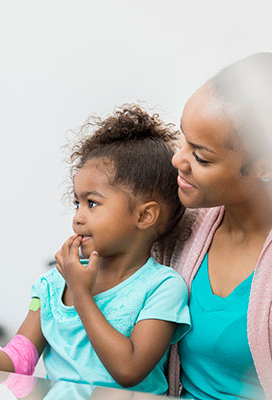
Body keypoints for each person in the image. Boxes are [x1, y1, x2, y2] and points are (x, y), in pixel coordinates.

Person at [0, 105, 191, 394]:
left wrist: (81, 293)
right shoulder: (52, 284)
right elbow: (21, 356)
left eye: (92, 203)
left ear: (144, 216)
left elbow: (129, 370)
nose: (78, 217)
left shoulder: (163, 287)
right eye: (77, 203)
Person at [154, 52, 272, 399]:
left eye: (201, 157)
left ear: (264, 167)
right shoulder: (180, 228)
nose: (178, 159)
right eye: (183, 139)